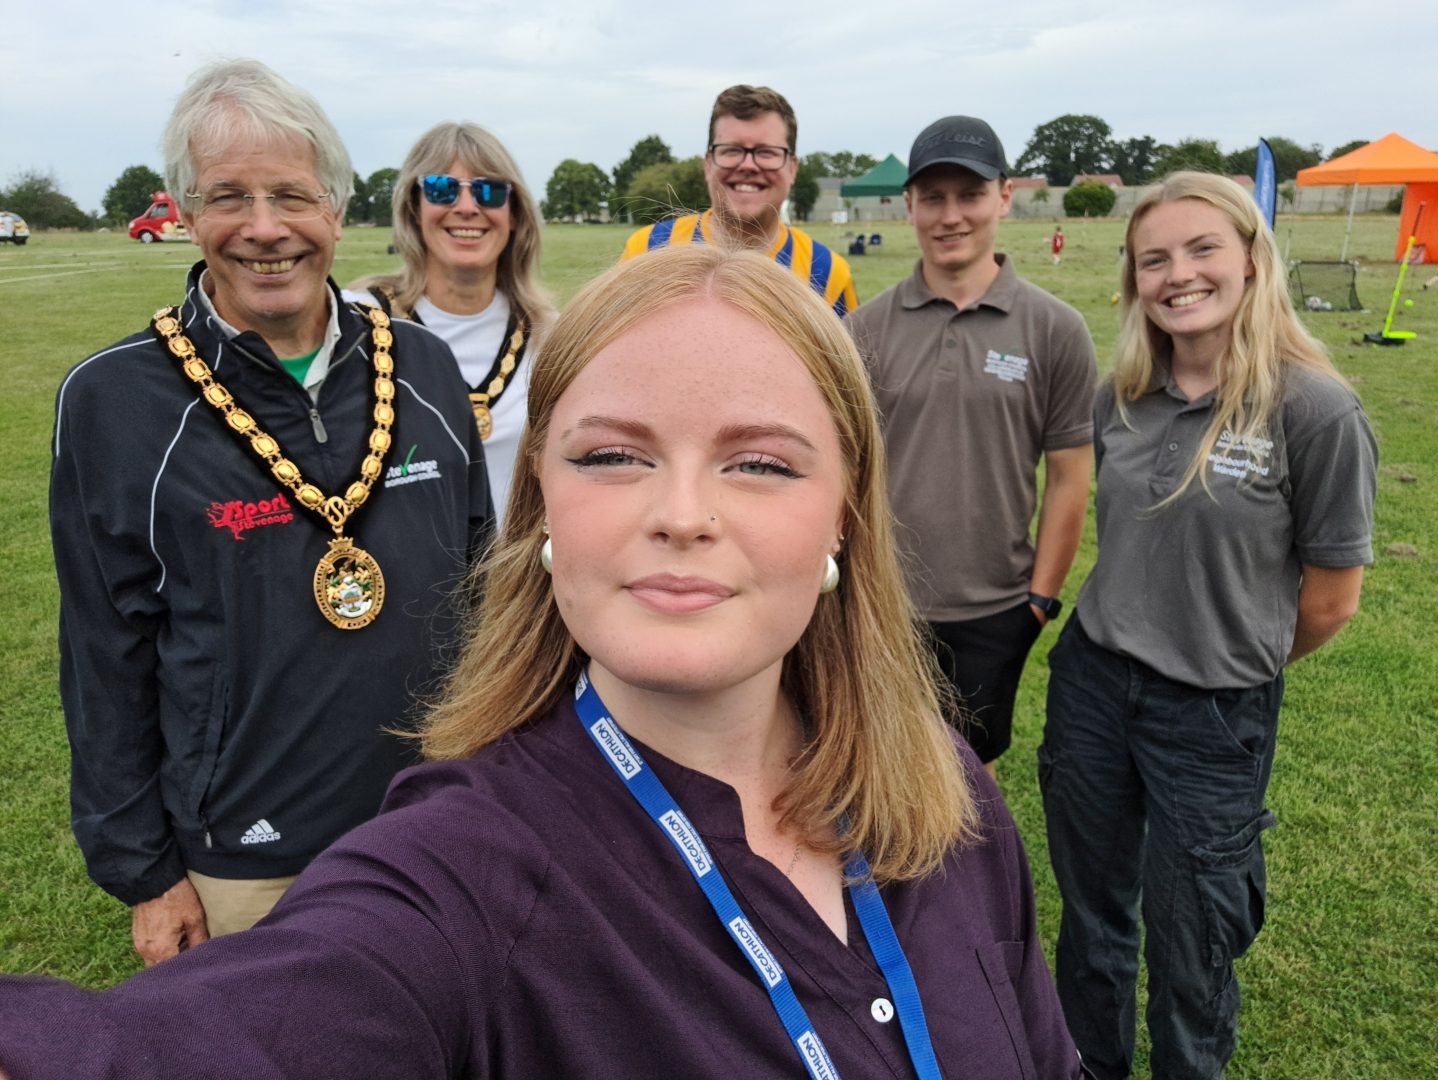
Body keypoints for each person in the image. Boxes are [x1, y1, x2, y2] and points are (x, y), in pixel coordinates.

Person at [0, 245, 1087, 1080]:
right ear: (543, 507)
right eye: (613, 455)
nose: (682, 515)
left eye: (760, 462)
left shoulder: (949, 793)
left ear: (844, 515)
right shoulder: (459, 876)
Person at [46, 60, 491, 967]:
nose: (263, 229)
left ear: (335, 207)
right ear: (183, 211)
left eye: (291, 195)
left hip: (445, 821)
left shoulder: (427, 367)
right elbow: (104, 650)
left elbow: (487, 589)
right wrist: (145, 871)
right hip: (247, 866)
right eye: (227, 198)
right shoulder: (113, 401)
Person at [1040, 172, 1377, 1079]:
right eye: (1155, 259)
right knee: (1094, 915)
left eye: (1201, 250)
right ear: (1134, 281)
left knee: (1195, 944)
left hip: (1214, 716)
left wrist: (1234, 655)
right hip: (1094, 686)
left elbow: (1331, 598)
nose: (1178, 274)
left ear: (1251, 259)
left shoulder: (1314, 411)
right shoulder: (1124, 396)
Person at [847, 115, 1096, 775]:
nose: (950, 215)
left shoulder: (1056, 330)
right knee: (878, 772)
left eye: (970, 195)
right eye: (933, 198)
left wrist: (1038, 602)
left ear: (1004, 198)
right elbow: (838, 473)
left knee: (968, 780)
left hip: (995, 608)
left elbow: (1071, 476)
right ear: (908, 207)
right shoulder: (861, 331)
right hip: (882, 602)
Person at [346, 122, 553, 525]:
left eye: (488, 191)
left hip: (515, 582)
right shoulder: (358, 320)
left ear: (514, 215)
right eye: (442, 189)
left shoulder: (550, 335)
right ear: (414, 208)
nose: (466, 207)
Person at [620, 84, 858, 316]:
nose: (747, 165)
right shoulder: (647, 251)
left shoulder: (827, 273)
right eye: (731, 150)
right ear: (708, 164)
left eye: (766, 152)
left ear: (792, 168)